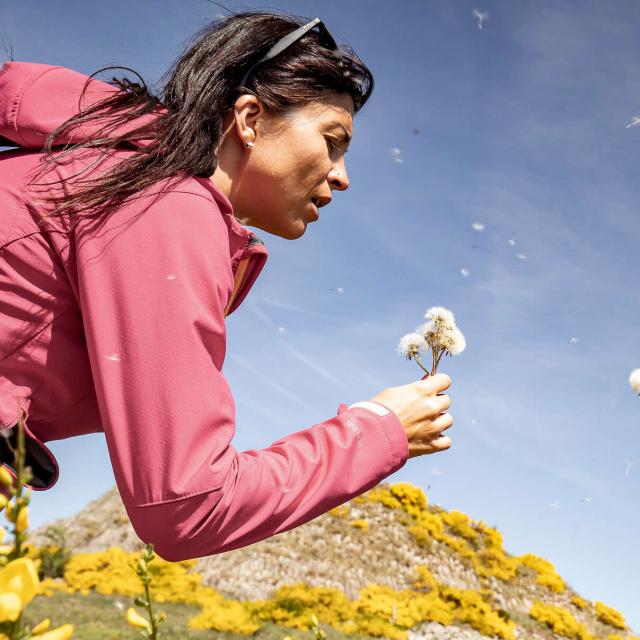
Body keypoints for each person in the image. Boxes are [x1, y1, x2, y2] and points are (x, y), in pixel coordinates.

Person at [0, 10, 453, 562]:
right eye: (333, 142)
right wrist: (383, 430)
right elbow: (190, 505)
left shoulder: (117, 173)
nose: (342, 175)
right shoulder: (167, 205)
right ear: (250, 118)